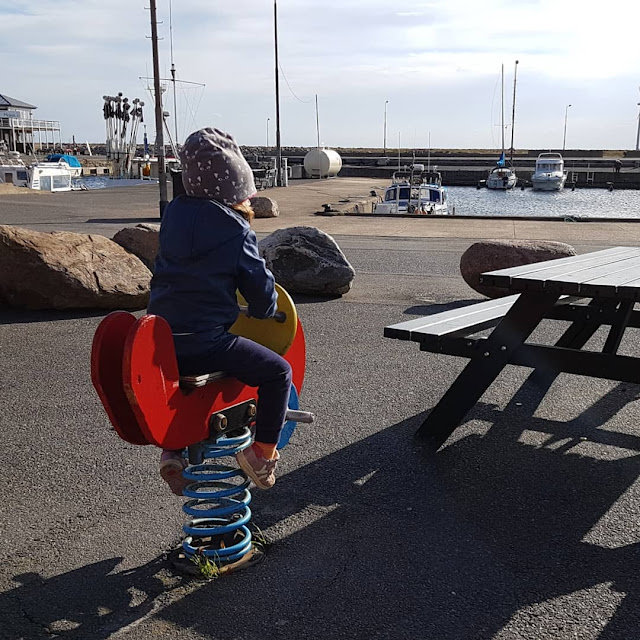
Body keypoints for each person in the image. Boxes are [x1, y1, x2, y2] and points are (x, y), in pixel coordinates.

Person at [148, 128, 292, 495]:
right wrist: (265, 308)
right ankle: (262, 452)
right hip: (205, 341)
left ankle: (173, 451)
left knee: (181, 383)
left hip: (159, 339)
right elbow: (258, 286)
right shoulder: (234, 229)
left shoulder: (174, 215)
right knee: (278, 372)